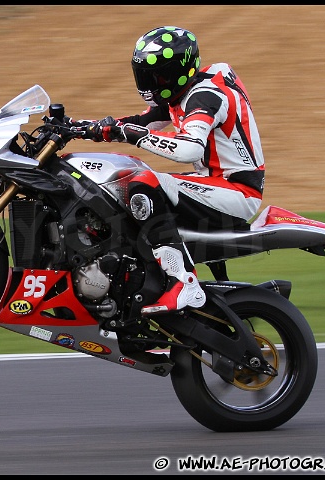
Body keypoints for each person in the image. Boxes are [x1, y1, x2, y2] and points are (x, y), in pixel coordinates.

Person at [80, 26, 265, 316]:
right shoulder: (186, 90)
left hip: (237, 191)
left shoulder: (205, 97)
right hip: (214, 182)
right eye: (144, 74)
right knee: (121, 190)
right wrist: (81, 127)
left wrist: (131, 135)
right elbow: (144, 121)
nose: (148, 83)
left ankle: (185, 283)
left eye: (155, 75)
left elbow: (189, 149)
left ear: (176, 72)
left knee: (141, 183)